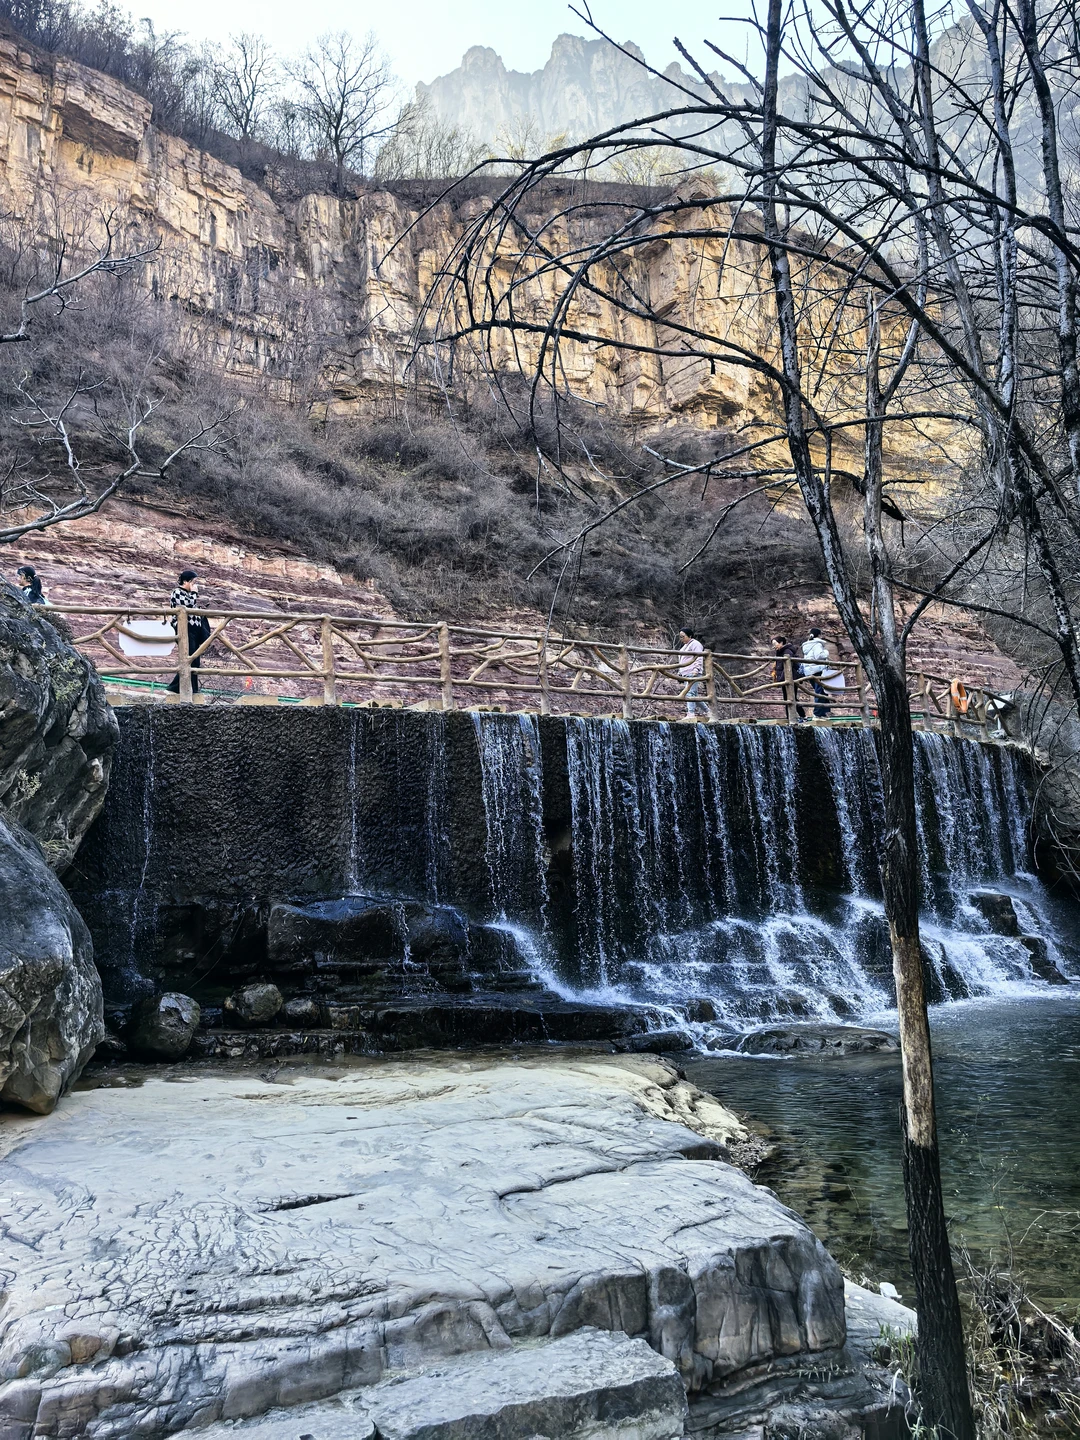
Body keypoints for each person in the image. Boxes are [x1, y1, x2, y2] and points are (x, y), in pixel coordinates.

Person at [166, 570, 211, 695]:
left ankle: (194, 689)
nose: (194, 585)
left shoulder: (189, 594)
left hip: (194, 631)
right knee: (188, 660)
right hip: (185, 629)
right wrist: (195, 594)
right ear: (185, 581)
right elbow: (186, 606)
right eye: (193, 582)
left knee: (195, 660)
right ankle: (174, 688)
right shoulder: (177, 592)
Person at [772, 634, 805, 720]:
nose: (774, 646)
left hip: (791, 678)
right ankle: (791, 717)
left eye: (775, 644)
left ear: (781, 643)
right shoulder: (780, 652)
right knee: (787, 698)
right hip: (785, 679)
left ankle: (799, 716)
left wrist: (782, 678)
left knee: (791, 698)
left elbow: (788, 667)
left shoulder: (787, 652)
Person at [678, 626, 708, 719]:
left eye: (683, 636)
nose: (681, 638)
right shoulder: (685, 646)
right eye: (680, 637)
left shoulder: (695, 644)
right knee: (693, 694)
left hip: (693, 671)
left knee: (690, 693)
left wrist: (697, 669)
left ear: (689, 635)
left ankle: (690, 714)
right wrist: (680, 672)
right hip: (686, 672)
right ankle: (708, 711)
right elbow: (682, 660)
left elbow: (699, 657)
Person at [801, 626, 831, 718]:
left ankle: (823, 712)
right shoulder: (817, 644)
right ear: (819, 635)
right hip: (818, 670)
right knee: (820, 692)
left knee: (820, 691)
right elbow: (819, 656)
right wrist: (826, 652)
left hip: (810, 670)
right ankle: (817, 713)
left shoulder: (807, 645)